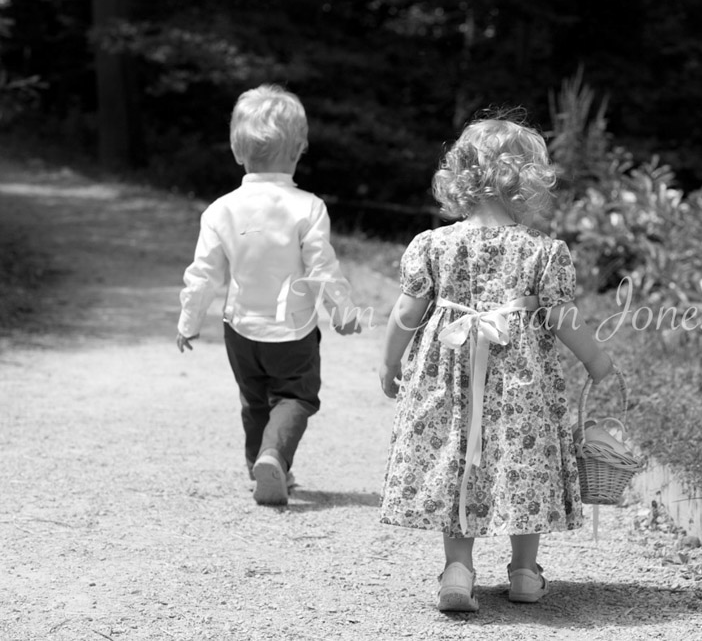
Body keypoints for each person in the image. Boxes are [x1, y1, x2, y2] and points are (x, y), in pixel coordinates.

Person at [378, 114, 615, 612]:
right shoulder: (543, 252)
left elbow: (406, 313)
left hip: (448, 382)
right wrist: (599, 362)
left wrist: (389, 361)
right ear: (525, 182)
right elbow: (563, 319)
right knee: (521, 462)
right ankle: (525, 573)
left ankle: (457, 573)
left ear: (461, 177)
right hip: (520, 386)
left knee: (456, 458)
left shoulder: (433, 244)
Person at [176, 83, 360, 506]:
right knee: (296, 397)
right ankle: (275, 455)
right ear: (300, 149)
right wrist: (342, 310)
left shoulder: (220, 209)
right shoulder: (308, 207)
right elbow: (321, 268)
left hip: (240, 329)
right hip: (292, 331)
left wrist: (189, 321)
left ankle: (259, 464)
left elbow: (203, 274)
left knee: (254, 400)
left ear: (237, 151)